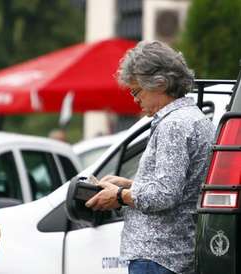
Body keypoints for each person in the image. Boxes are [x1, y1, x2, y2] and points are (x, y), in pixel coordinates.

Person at [85, 41, 215, 274]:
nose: (135, 99)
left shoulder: (173, 125)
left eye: (137, 91)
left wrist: (119, 196)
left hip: (158, 256)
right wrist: (129, 185)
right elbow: (179, 187)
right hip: (173, 253)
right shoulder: (194, 117)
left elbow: (165, 195)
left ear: (160, 83)